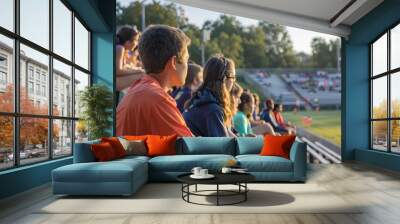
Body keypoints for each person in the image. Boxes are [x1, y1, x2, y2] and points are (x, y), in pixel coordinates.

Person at [116, 25, 193, 137]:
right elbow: (189, 146)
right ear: (173, 63)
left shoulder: (140, 90)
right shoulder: (157, 98)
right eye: (186, 60)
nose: (188, 66)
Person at [183, 55, 236, 137]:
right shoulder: (213, 110)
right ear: (225, 79)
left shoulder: (200, 100)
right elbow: (223, 147)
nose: (234, 82)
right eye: (233, 77)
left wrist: (242, 137)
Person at [116, 26, 145, 92]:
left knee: (143, 74)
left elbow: (124, 67)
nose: (136, 43)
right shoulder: (120, 48)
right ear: (128, 42)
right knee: (143, 75)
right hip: (114, 82)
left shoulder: (122, 49)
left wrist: (137, 69)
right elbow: (118, 71)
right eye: (136, 40)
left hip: (116, 80)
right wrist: (137, 71)